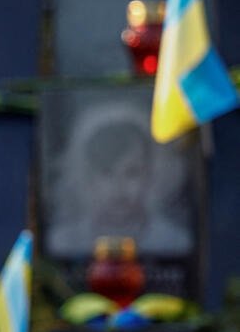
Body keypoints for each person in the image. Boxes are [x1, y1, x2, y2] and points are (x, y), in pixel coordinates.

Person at [45, 101, 193, 258]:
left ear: (150, 174)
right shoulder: (62, 242)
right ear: (88, 176)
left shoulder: (174, 242)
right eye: (107, 173)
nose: (119, 186)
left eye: (132, 173)